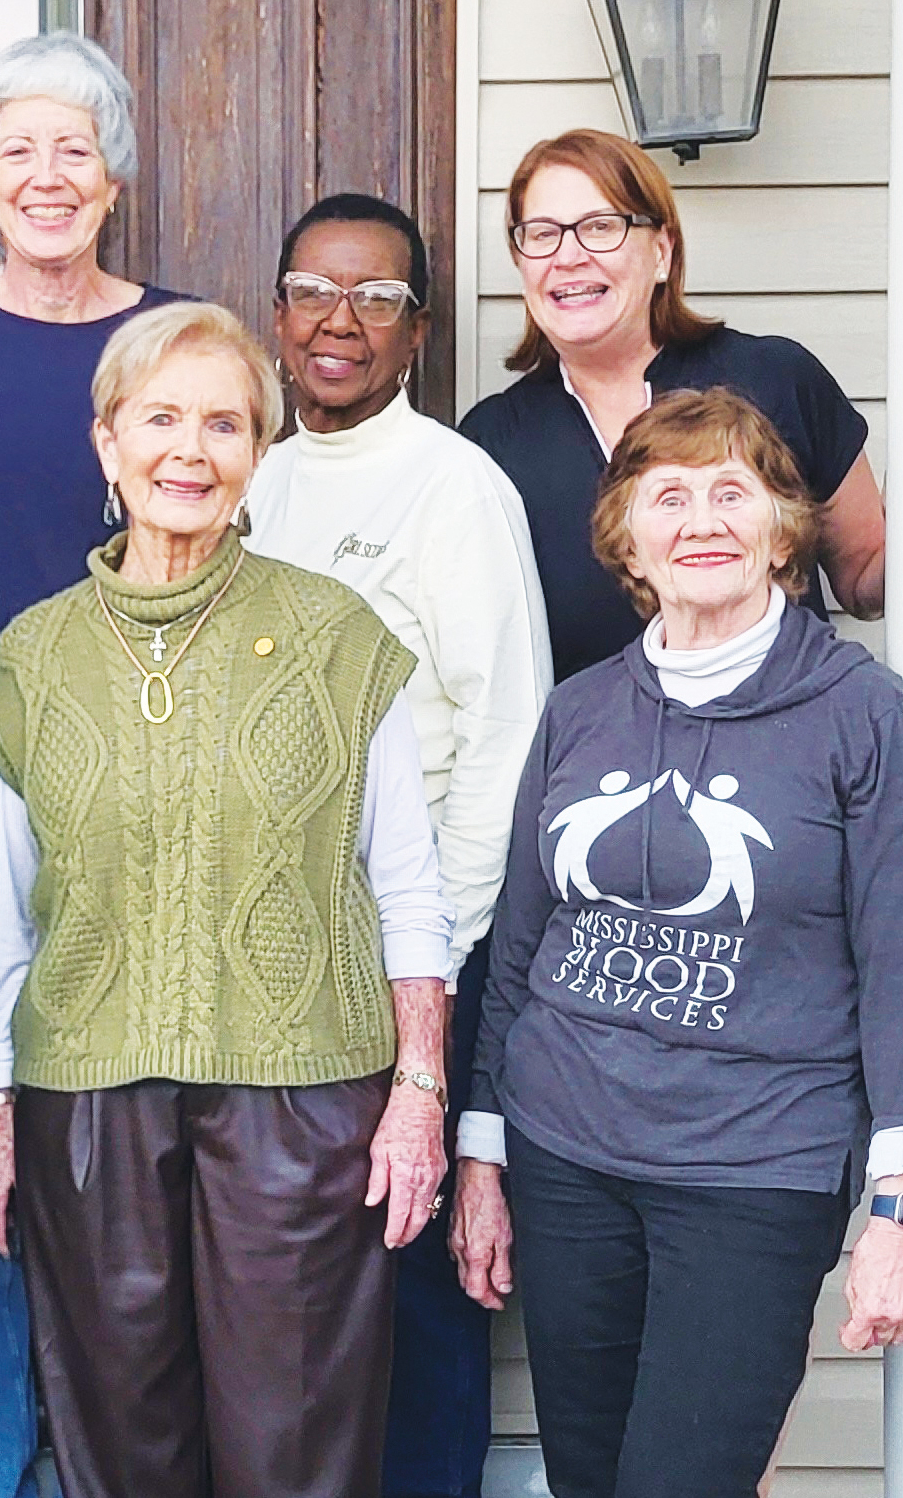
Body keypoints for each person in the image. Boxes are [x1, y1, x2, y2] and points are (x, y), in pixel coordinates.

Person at [0, 300, 454, 1498]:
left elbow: (405, 881)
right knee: (119, 1443)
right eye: (160, 419)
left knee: (296, 1446)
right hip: (84, 1097)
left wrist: (418, 1088)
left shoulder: (335, 635)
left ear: (257, 453)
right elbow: (6, 907)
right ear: (107, 442)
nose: (189, 450)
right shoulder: (34, 655)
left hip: (303, 1094)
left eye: (224, 424)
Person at [449, 389, 903, 1498]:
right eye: (668, 497)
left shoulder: (862, 713)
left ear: (782, 530)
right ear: (627, 538)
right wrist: (482, 1151)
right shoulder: (580, 709)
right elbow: (522, 945)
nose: (701, 520)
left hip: (755, 1167)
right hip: (565, 1157)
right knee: (587, 1478)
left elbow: (896, 963)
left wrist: (894, 1207)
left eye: (731, 492)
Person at [0, 33, 182, 1498]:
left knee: (114, 1126)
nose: (47, 175)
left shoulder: (173, 331)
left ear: (113, 177)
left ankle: (116, 1455)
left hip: (139, 756)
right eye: (20, 151)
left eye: (74, 148)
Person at [244, 192, 551, 1498]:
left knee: (415, 1283)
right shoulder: (247, 476)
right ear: (276, 312)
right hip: (269, 961)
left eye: (375, 297)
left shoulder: (452, 485)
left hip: (415, 949)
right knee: (295, 1285)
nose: (340, 320)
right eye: (315, 290)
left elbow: (506, 730)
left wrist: (444, 948)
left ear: (416, 331)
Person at [459, 127, 885, 683]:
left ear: (661, 252)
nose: (568, 256)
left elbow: (866, 580)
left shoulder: (777, 378)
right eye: (541, 234)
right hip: (595, 736)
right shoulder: (491, 443)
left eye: (600, 227)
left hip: (790, 728)